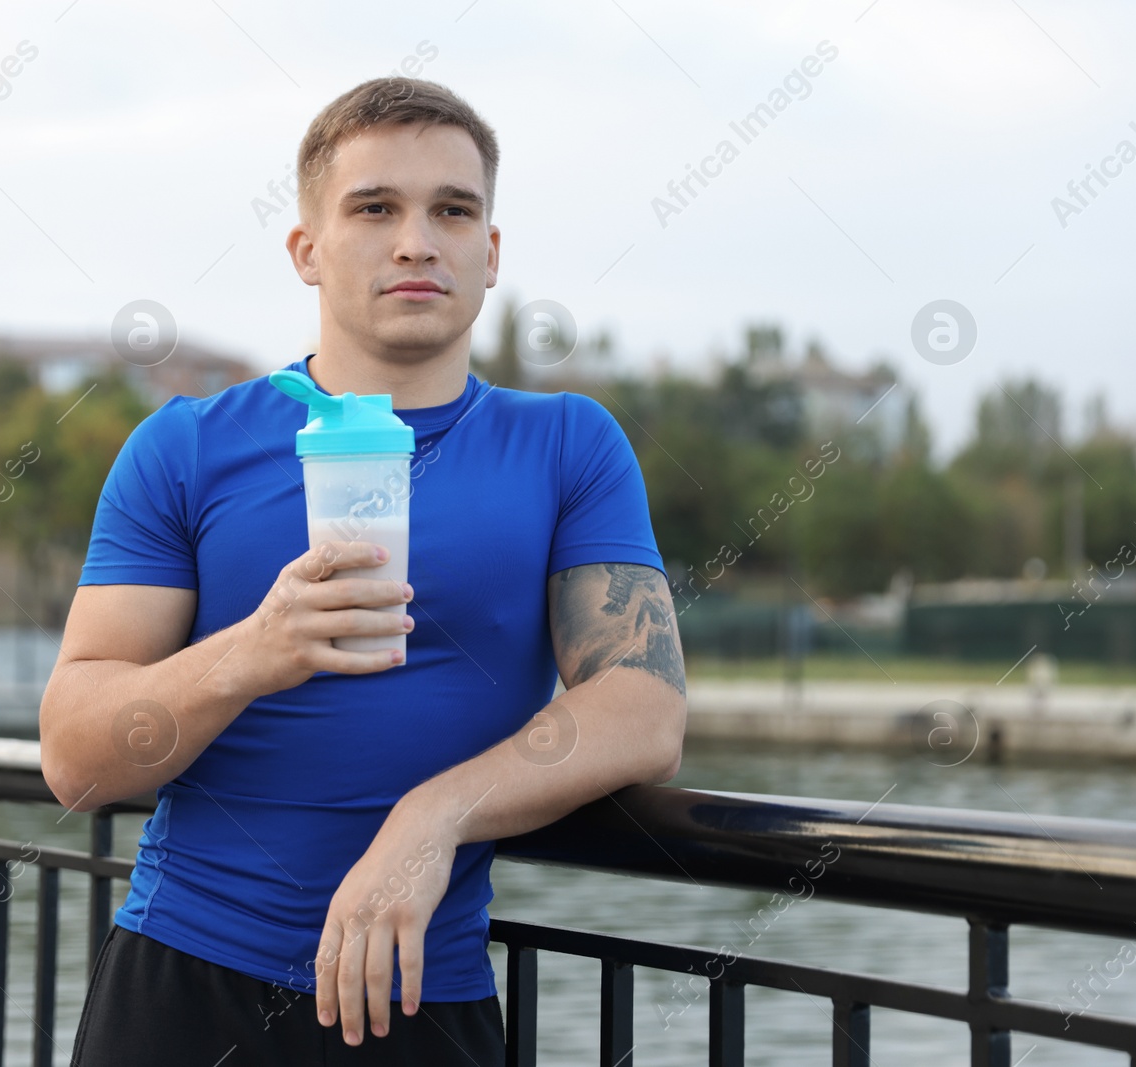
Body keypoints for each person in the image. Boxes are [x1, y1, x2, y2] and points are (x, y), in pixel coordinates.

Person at [41, 75, 687, 1067]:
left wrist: (434, 816)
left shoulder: (568, 444)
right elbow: (77, 759)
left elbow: (642, 705)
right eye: (375, 207)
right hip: (183, 983)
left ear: (491, 253)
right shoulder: (185, 447)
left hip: (421, 993)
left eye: (452, 210)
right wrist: (253, 651)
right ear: (307, 249)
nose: (416, 240)